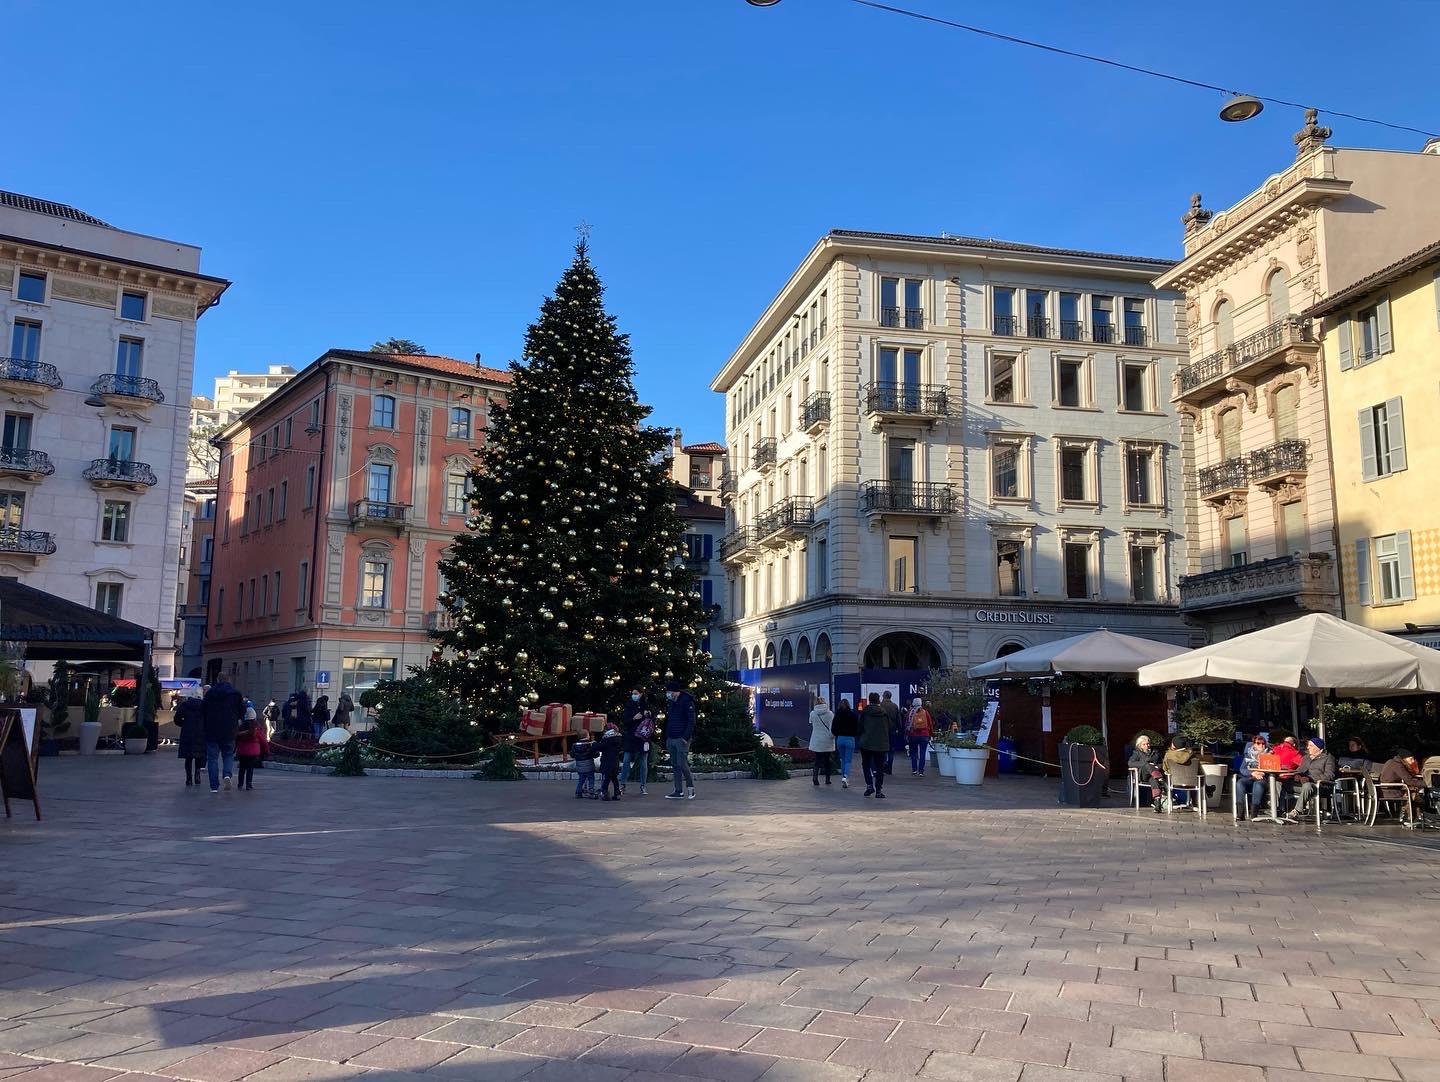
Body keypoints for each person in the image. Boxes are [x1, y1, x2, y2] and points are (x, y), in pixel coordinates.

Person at [201, 678, 244, 792]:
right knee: (228, 755)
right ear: (228, 680)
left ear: (218, 680)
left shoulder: (210, 693)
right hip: (229, 730)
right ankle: (227, 775)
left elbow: (203, 710)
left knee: (212, 759)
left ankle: (214, 786)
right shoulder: (236, 694)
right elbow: (242, 711)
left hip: (212, 730)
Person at [1285, 737, 1337, 822]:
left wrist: (1310, 779)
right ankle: (1279, 810)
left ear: (1318, 747)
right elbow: (1299, 770)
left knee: (1307, 785)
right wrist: (1297, 775)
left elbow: (1329, 775)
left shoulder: (1328, 758)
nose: (1308, 747)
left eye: (1311, 746)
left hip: (1320, 786)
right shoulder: (1306, 757)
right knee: (1281, 782)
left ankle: (1296, 811)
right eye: (1308, 745)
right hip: (1303, 784)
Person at [664, 681, 696, 800]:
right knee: (675, 764)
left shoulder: (687, 702)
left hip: (682, 738)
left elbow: (691, 721)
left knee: (682, 764)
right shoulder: (672, 703)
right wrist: (667, 736)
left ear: (675, 692)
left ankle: (690, 787)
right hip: (671, 737)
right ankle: (678, 790)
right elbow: (670, 719)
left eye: (669, 692)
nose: (667, 694)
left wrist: (685, 737)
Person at [859, 692, 890, 799]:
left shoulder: (865, 712)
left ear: (869, 700)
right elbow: (889, 727)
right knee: (880, 767)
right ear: (878, 700)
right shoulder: (884, 712)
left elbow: (860, 727)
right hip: (881, 744)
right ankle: (879, 790)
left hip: (866, 743)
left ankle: (869, 785)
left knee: (866, 765)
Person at [619, 689, 649, 795]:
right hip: (631, 736)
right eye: (633, 694)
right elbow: (625, 721)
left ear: (641, 694)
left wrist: (647, 714)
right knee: (626, 760)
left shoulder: (646, 705)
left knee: (643, 763)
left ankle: (643, 785)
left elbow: (651, 720)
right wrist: (634, 718)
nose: (634, 695)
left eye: (636, 694)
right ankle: (622, 784)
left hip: (643, 738)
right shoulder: (629, 705)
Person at [235, 702, 269, 791]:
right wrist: (266, 751)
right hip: (253, 752)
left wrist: (234, 750)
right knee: (250, 768)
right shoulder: (257, 727)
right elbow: (263, 741)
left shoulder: (241, 727)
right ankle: (249, 784)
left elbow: (236, 739)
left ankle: (240, 784)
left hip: (242, 751)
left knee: (242, 768)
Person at [175, 690, 206, 787]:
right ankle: (197, 774)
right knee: (199, 755)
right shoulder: (205, 706)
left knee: (188, 757)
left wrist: (183, 724)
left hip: (187, 732)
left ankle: (188, 778)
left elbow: (177, 718)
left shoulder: (185, 705)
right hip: (201, 733)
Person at [1160, 735, 1200, 810]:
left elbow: (1164, 768)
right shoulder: (1192, 755)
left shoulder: (1168, 754)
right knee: (1199, 776)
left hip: (1173, 781)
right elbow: (1198, 769)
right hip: (1191, 782)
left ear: (1174, 744)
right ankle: (1195, 803)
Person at [1235, 734, 1269, 820]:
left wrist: (1262, 772)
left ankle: (1254, 814)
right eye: (1258, 743)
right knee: (1240, 783)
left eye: (1263, 743)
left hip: (1263, 778)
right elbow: (1242, 769)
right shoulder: (1248, 755)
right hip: (1250, 777)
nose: (1261, 745)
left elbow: (1272, 768)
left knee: (1258, 785)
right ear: (1254, 744)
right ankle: (1240, 813)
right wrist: (1252, 773)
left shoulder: (1269, 755)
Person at [1128, 733, 1162, 810]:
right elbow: (1130, 763)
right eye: (1144, 744)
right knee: (1147, 765)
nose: (1147, 746)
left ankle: (1157, 802)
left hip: (1152, 776)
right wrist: (1144, 764)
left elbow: (1161, 763)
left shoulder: (1155, 752)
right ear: (1140, 745)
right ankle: (1159, 778)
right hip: (1143, 775)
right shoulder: (1136, 753)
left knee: (1154, 780)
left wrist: (1157, 766)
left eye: (1148, 744)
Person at [808, 695, 835, 786]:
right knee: (827, 760)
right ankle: (827, 779)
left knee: (817, 760)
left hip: (816, 739)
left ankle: (815, 778)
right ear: (825, 702)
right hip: (827, 740)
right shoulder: (830, 714)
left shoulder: (812, 713)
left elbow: (811, 723)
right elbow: (832, 727)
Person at [831, 697, 858, 788]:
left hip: (840, 738)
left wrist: (836, 734)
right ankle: (846, 776)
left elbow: (833, 728)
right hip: (850, 739)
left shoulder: (837, 715)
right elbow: (857, 728)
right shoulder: (853, 715)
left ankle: (843, 777)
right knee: (848, 760)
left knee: (842, 759)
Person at [597, 721, 624, 801]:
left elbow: (601, 747)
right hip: (615, 761)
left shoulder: (606, 739)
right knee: (615, 779)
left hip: (607, 761)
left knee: (607, 779)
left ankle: (604, 793)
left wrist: (594, 745)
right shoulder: (619, 738)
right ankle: (617, 793)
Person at [907, 698, 933, 776]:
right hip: (924, 735)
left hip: (913, 735)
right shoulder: (925, 712)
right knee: (922, 753)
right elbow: (930, 724)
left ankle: (914, 770)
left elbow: (906, 724)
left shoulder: (910, 713)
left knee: (914, 753)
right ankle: (921, 771)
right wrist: (930, 734)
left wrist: (907, 735)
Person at [572, 732, 599, 799]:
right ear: (587, 736)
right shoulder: (589, 744)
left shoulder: (575, 745)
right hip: (589, 765)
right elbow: (595, 754)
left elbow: (572, 754)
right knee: (591, 778)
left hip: (579, 766)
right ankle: (591, 791)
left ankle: (578, 792)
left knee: (581, 779)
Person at [879, 691, 900, 775]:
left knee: (883, 750)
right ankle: (889, 768)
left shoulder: (880, 706)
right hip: (892, 731)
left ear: (884, 696)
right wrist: (899, 729)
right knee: (891, 750)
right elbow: (898, 720)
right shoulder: (895, 706)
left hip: (882, 731)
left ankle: (883, 767)